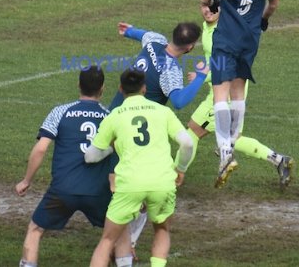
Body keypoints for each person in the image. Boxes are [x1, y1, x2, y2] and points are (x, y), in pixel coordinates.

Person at [14, 66, 132, 267]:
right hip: (97, 191)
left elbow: (41, 149)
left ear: (78, 85)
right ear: (102, 88)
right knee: (121, 230)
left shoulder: (60, 112)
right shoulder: (110, 116)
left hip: (63, 190)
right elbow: (123, 153)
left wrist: (27, 180)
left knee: (35, 230)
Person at [85, 68, 195, 267]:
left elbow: (91, 157)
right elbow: (187, 143)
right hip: (162, 180)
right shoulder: (163, 112)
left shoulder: (114, 116)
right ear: (144, 88)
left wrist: (113, 147)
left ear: (120, 89)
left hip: (129, 183)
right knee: (161, 230)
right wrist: (181, 168)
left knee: (107, 240)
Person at [178, 2, 294, 189]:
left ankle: (175, 174)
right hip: (222, 87)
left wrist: (202, 76)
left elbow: (227, 62)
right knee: (231, 137)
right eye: (204, 7)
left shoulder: (224, 31)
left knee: (195, 130)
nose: (208, 10)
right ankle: (280, 161)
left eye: (212, 7)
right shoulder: (210, 28)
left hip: (227, 89)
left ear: (222, 8)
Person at [200, 0, 281, 187]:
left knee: (220, 94)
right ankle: (232, 142)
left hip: (225, 41)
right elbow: (274, 5)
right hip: (250, 42)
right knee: (238, 92)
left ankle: (225, 153)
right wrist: (263, 20)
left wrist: (210, 9)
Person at [110, 21, 208, 110]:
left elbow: (142, 35)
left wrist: (129, 31)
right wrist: (200, 76)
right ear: (190, 47)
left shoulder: (156, 40)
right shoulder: (170, 70)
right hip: (135, 122)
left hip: (114, 111)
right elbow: (178, 102)